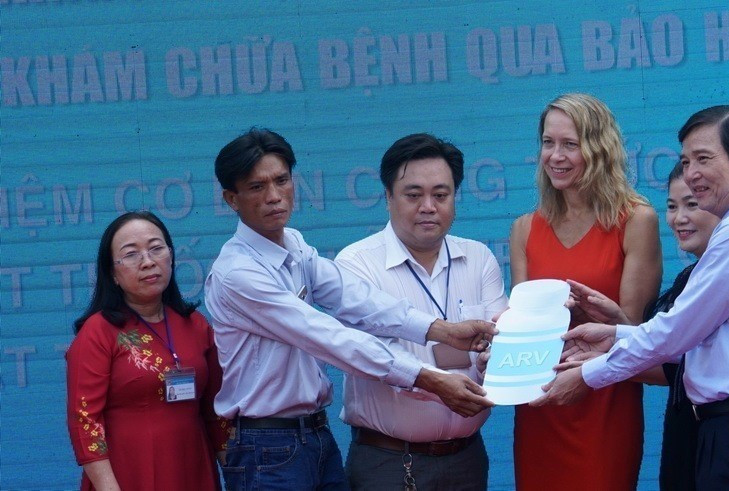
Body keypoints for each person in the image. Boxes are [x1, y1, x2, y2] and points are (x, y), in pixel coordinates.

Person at [537, 105, 729, 490]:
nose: (693, 174)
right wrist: (615, 336)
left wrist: (589, 375)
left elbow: (678, 332)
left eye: (704, 158)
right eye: (686, 161)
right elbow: (692, 338)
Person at [205, 128, 497, 490]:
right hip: (268, 446)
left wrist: (440, 329)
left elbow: (355, 298)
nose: (274, 197)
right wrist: (428, 378)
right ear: (231, 199)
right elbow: (327, 336)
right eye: (256, 187)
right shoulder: (237, 274)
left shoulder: (294, 245)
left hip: (314, 435)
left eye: (282, 181)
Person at [336, 134, 509, 490]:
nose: (428, 206)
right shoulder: (355, 265)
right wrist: (437, 385)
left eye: (441, 195)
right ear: (387, 197)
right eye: (413, 195)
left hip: (466, 458)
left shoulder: (479, 259)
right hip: (390, 462)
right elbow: (370, 355)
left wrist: (499, 359)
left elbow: (500, 334)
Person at [509, 93, 662, 489]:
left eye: (569, 144)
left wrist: (595, 315)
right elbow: (523, 331)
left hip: (605, 403)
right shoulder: (525, 228)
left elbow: (635, 335)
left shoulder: (636, 220)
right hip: (541, 407)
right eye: (548, 143)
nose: (555, 156)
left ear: (598, 149)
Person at [564, 162, 720, 490]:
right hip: (690, 436)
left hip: (724, 440)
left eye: (692, 204)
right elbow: (674, 357)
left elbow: (683, 359)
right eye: (672, 206)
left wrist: (595, 363)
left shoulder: (723, 277)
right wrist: (616, 325)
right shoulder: (690, 278)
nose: (679, 218)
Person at [66, 211, 229, 491]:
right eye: (131, 254)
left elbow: (217, 411)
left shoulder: (196, 325)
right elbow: (85, 419)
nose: (148, 262)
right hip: (128, 473)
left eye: (156, 249)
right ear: (112, 273)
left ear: (171, 256)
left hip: (193, 468)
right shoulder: (99, 332)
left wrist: (235, 472)